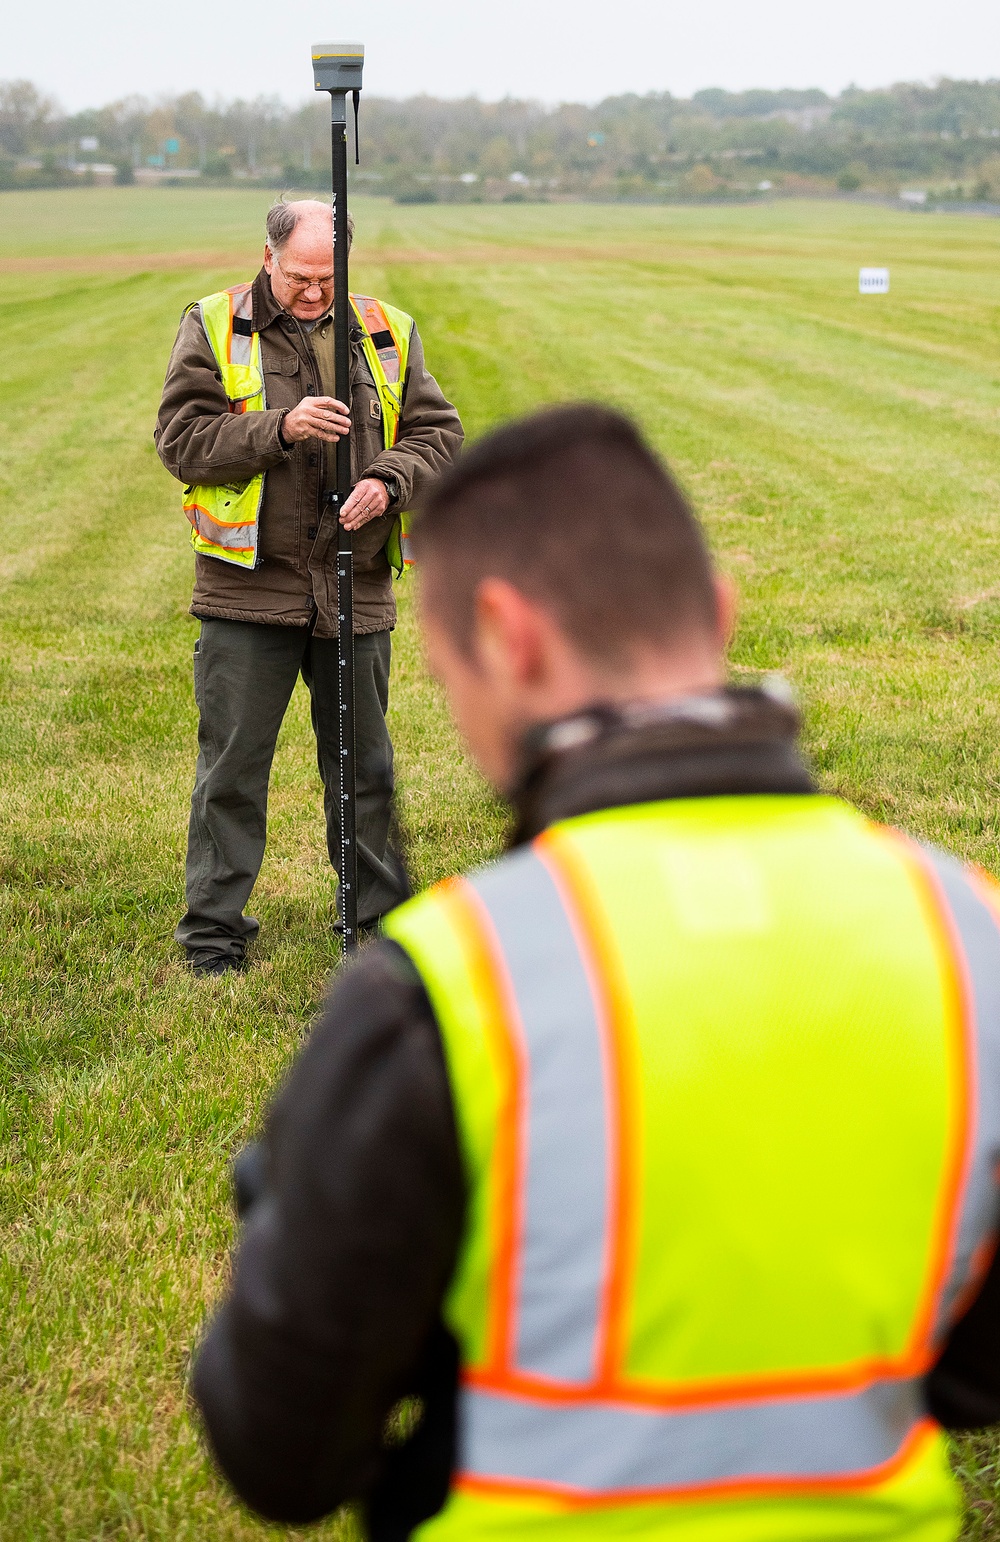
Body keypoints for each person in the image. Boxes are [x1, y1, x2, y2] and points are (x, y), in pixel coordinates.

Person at [192, 405, 1000, 1541]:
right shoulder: (966, 929)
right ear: (716, 612)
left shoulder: (448, 981)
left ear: (506, 639)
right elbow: (974, 1375)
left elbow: (280, 1451)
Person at [155, 199, 463, 975]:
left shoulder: (386, 329)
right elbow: (182, 441)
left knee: (365, 769)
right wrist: (280, 429)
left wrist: (390, 483)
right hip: (249, 590)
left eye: (330, 277)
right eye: (300, 277)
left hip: (354, 583)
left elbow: (439, 437)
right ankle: (214, 938)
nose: (316, 293)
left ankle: (378, 926)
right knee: (232, 769)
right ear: (268, 257)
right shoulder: (216, 324)